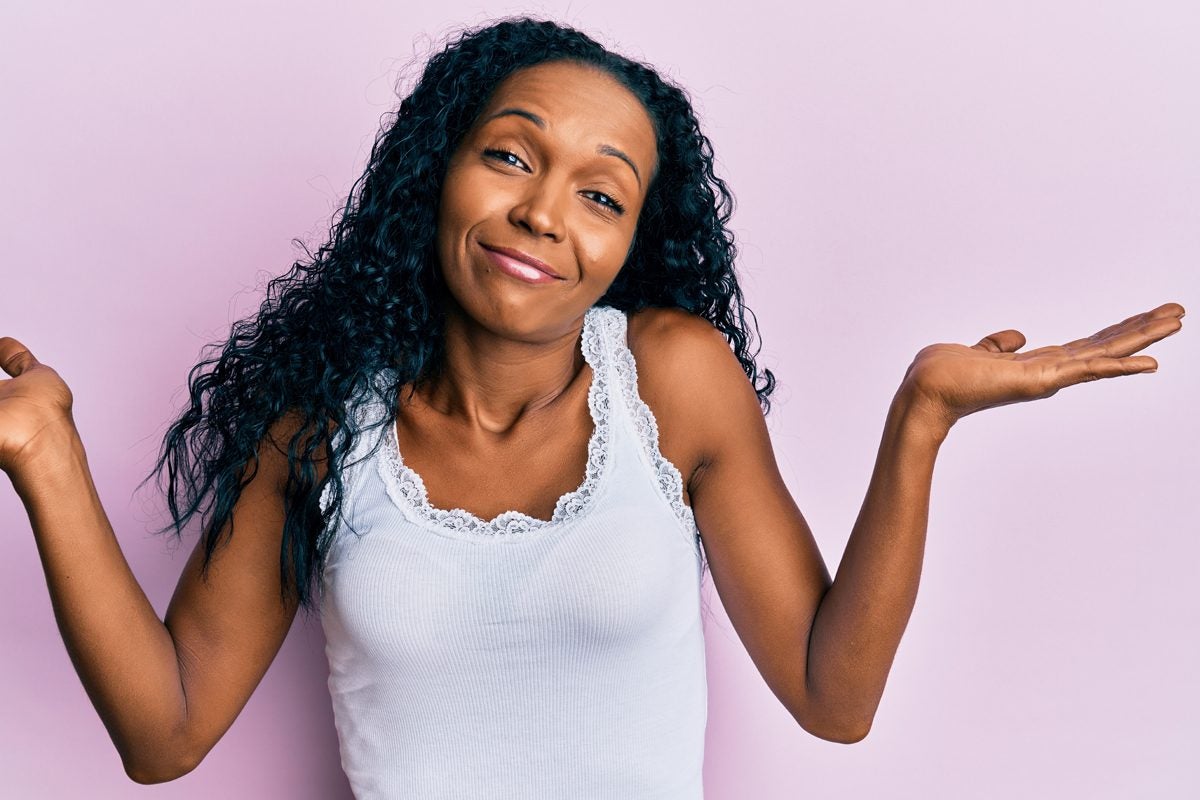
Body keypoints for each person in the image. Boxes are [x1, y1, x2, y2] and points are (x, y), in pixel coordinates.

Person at [0, 15, 1184, 799]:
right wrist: (45, 454)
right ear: (437, 174)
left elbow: (835, 697)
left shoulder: (672, 379)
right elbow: (166, 735)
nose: (544, 214)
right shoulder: (320, 422)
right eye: (511, 158)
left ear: (628, 241)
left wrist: (920, 416)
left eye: (601, 194)